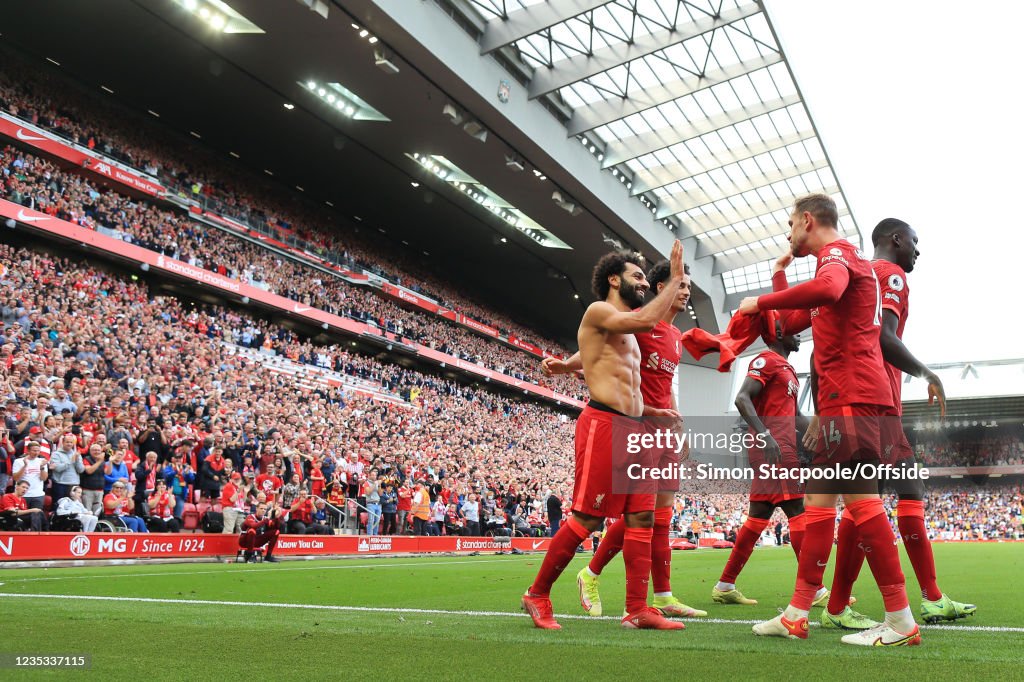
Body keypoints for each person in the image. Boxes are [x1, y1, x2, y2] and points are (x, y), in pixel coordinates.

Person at [738, 194, 918, 646]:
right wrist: (778, 276)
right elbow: (783, 327)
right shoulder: (835, 265)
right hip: (842, 400)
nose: (788, 235)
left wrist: (760, 299)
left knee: (861, 505)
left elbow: (828, 290)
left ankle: (901, 620)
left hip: (854, 397)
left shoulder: (837, 258)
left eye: (789, 227)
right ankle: (798, 612)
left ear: (807, 220)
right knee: (818, 506)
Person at [522, 240, 686, 631]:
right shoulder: (600, 310)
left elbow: (622, 379)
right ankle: (537, 593)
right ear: (615, 279)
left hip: (637, 428)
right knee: (587, 518)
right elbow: (643, 323)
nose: (645, 283)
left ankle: (636, 609)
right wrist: (674, 279)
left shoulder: (626, 331)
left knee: (642, 516)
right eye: (638, 276)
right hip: (604, 425)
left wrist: (654, 410)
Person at [822, 219, 975, 627]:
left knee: (872, 498)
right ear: (895, 239)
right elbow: (885, 337)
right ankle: (905, 601)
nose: (917, 251)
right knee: (876, 497)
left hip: (861, 399)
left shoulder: (855, 275)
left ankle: (849, 605)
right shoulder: (887, 275)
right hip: (877, 404)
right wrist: (928, 374)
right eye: (914, 241)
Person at [563, 260, 705, 619]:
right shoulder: (640, 319)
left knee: (661, 515)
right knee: (639, 514)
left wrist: (680, 427)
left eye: (688, 286)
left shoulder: (675, 337)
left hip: (663, 429)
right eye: (680, 284)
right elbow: (598, 347)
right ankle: (591, 573)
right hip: (636, 426)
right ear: (661, 288)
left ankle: (663, 595)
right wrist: (566, 366)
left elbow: (667, 385)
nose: (686, 292)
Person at [709, 317, 848, 614]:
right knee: (798, 510)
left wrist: (824, 434)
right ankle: (817, 589)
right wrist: (765, 435)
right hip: (772, 446)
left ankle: (724, 586)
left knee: (758, 516)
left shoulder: (788, 371)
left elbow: (797, 416)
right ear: (780, 333)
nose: (800, 337)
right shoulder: (765, 360)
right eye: (796, 333)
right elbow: (742, 399)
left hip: (780, 444)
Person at [11, 441, 48, 529]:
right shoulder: (18, 461)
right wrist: (25, 466)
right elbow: (16, 478)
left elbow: (44, 478)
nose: (36, 453)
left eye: (38, 451)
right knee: (21, 517)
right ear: (27, 450)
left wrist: (42, 467)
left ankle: (36, 536)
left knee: (36, 517)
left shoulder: (41, 462)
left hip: (37, 494)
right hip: (23, 495)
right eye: (34, 450)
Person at [48, 432, 84, 505]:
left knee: (73, 506)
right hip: (60, 484)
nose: (69, 444)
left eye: (71, 442)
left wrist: (77, 460)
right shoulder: (56, 454)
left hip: (74, 484)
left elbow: (81, 470)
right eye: (67, 442)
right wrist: (71, 461)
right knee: (59, 506)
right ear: (63, 442)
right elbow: (58, 468)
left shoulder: (76, 454)